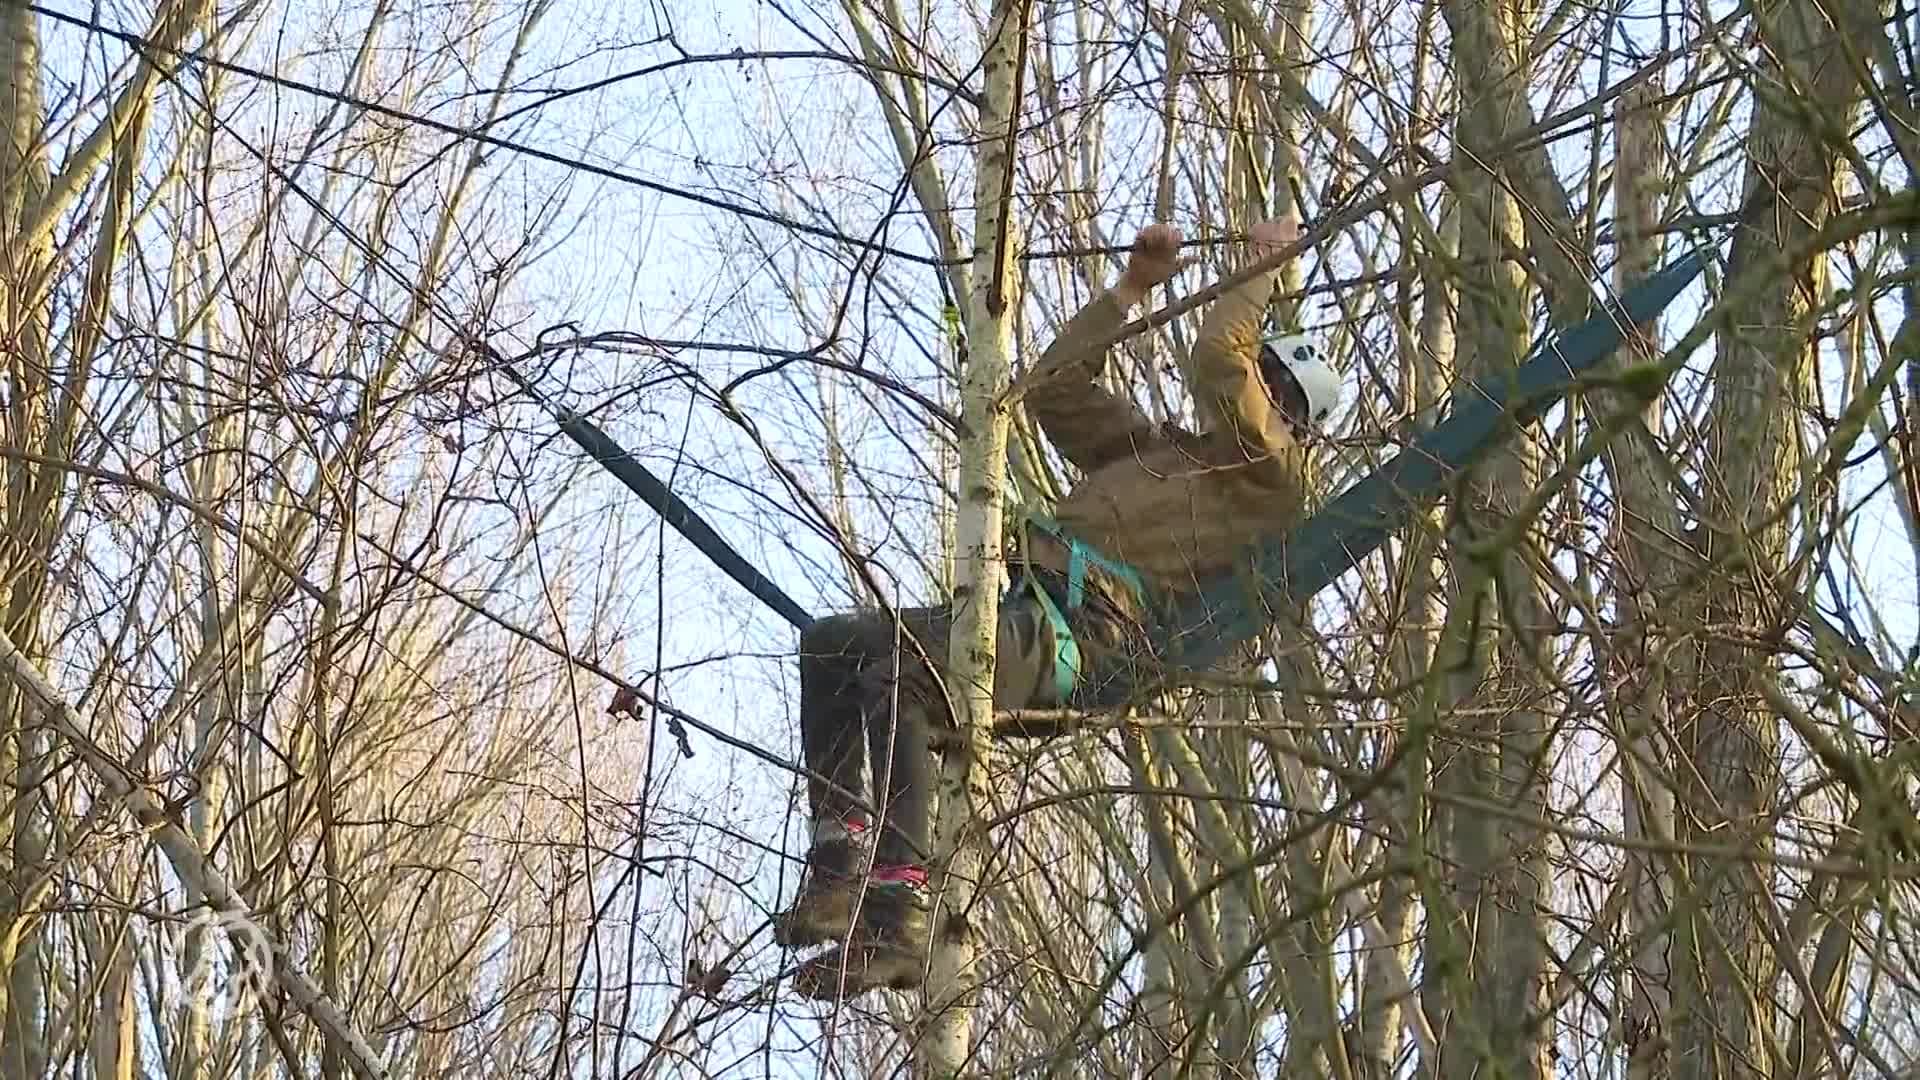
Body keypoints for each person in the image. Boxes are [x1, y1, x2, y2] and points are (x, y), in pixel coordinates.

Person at [777, 216, 1343, 998]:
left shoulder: (1271, 489)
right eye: (1265, 379)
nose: (1258, 393)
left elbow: (1218, 355)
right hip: (1021, 609)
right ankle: (839, 862)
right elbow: (1055, 390)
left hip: (1081, 633)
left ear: (1294, 423)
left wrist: (1262, 271)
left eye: (1274, 392)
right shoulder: (1155, 452)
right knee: (833, 645)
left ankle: (898, 912)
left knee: (903, 679)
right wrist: (1131, 291)